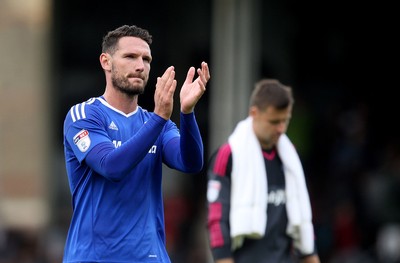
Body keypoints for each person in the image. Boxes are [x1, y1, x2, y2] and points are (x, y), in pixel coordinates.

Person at [62, 24, 210, 263]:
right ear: (106, 62)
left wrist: (186, 112)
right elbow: (112, 166)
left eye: (146, 59)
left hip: (150, 257)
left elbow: (191, 162)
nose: (140, 66)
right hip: (94, 257)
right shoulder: (84, 116)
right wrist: (159, 117)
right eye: (130, 57)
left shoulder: (156, 123)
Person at [206, 79, 320, 263]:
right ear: (254, 113)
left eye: (285, 120)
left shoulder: (291, 159)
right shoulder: (228, 155)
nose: (281, 129)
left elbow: (303, 221)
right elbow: (217, 221)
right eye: (274, 122)